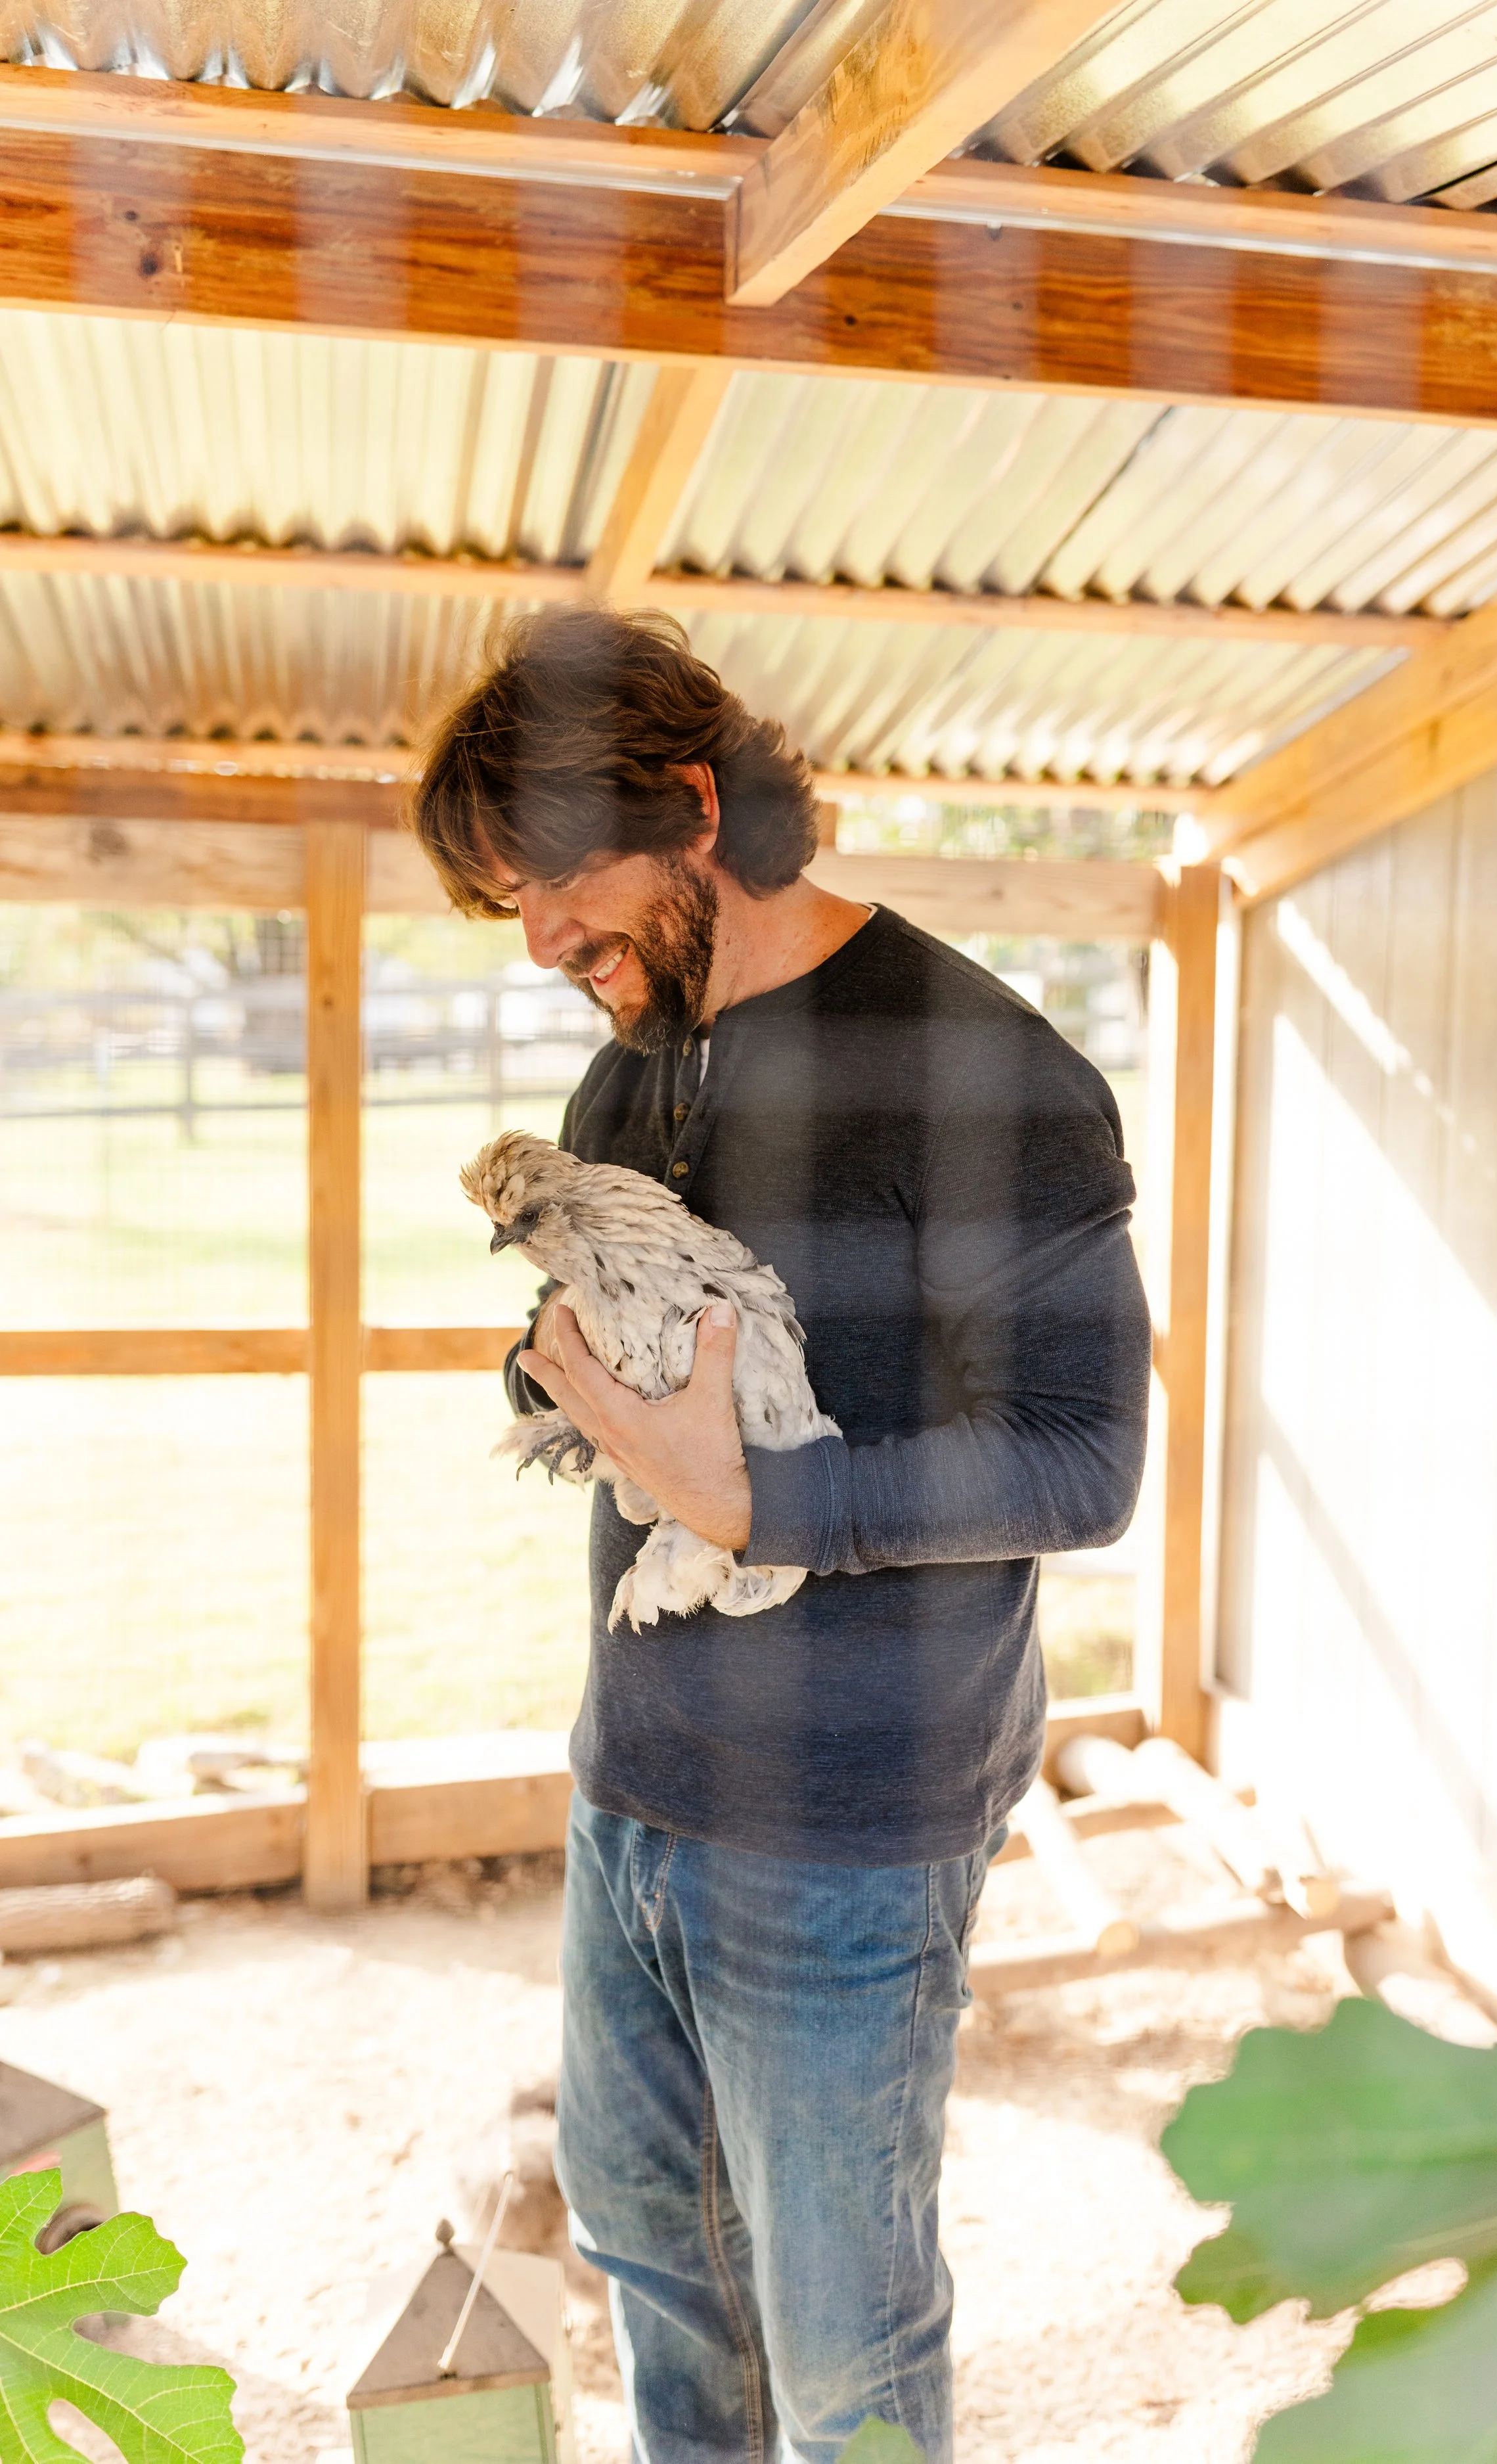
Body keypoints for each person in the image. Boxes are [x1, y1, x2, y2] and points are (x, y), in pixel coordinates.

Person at [412, 607, 1151, 2464]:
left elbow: (1084, 1461)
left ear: (689, 806)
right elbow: (643, 1368)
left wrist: (759, 1499)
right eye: (508, 899)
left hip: (849, 1827)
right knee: (657, 2274)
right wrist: (561, 1366)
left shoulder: (985, 1067)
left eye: (559, 882)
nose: (538, 938)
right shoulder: (628, 1068)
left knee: (840, 2359)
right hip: (634, 1780)